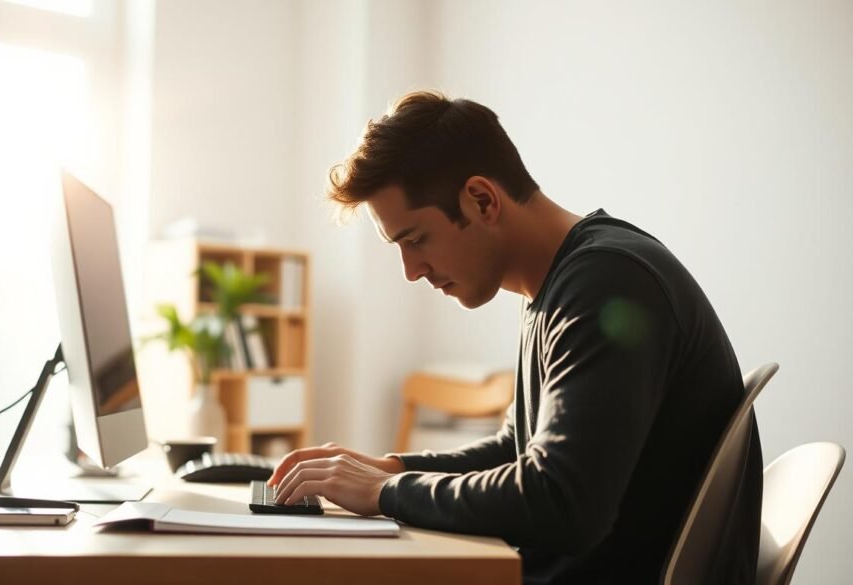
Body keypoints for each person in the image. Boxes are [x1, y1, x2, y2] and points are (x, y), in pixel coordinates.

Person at [267, 90, 762, 584]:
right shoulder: (567, 284)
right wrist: (389, 466)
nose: (411, 271)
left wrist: (384, 491)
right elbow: (517, 448)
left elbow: (562, 501)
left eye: (416, 239)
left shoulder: (606, 282)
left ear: (481, 200)